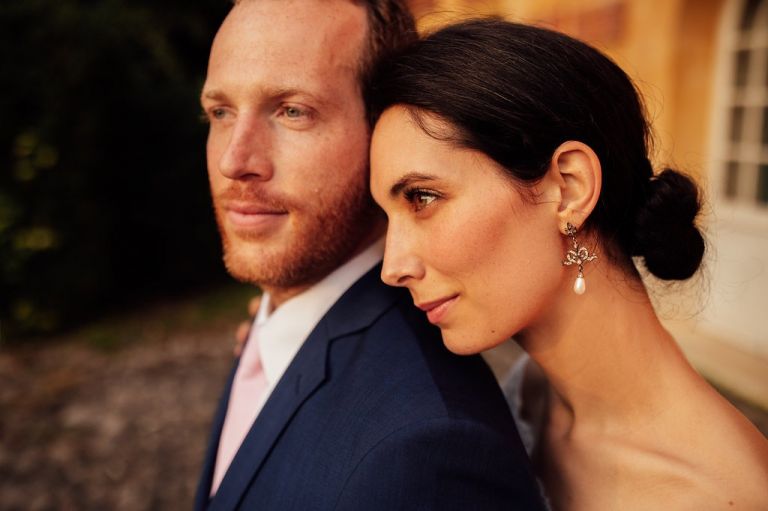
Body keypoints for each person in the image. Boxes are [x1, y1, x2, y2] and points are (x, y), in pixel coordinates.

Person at [369, 19, 768, 511]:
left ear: (569, 189)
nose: (393, 266)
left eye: (422, 197)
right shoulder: (527, 398)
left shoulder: (721, 495)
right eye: (387, 217)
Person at [194, 2, 545, 510]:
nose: (234, 161)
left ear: (384, 131)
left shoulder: (429, 450)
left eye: (292, 110)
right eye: (220, 112)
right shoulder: (278, 324)